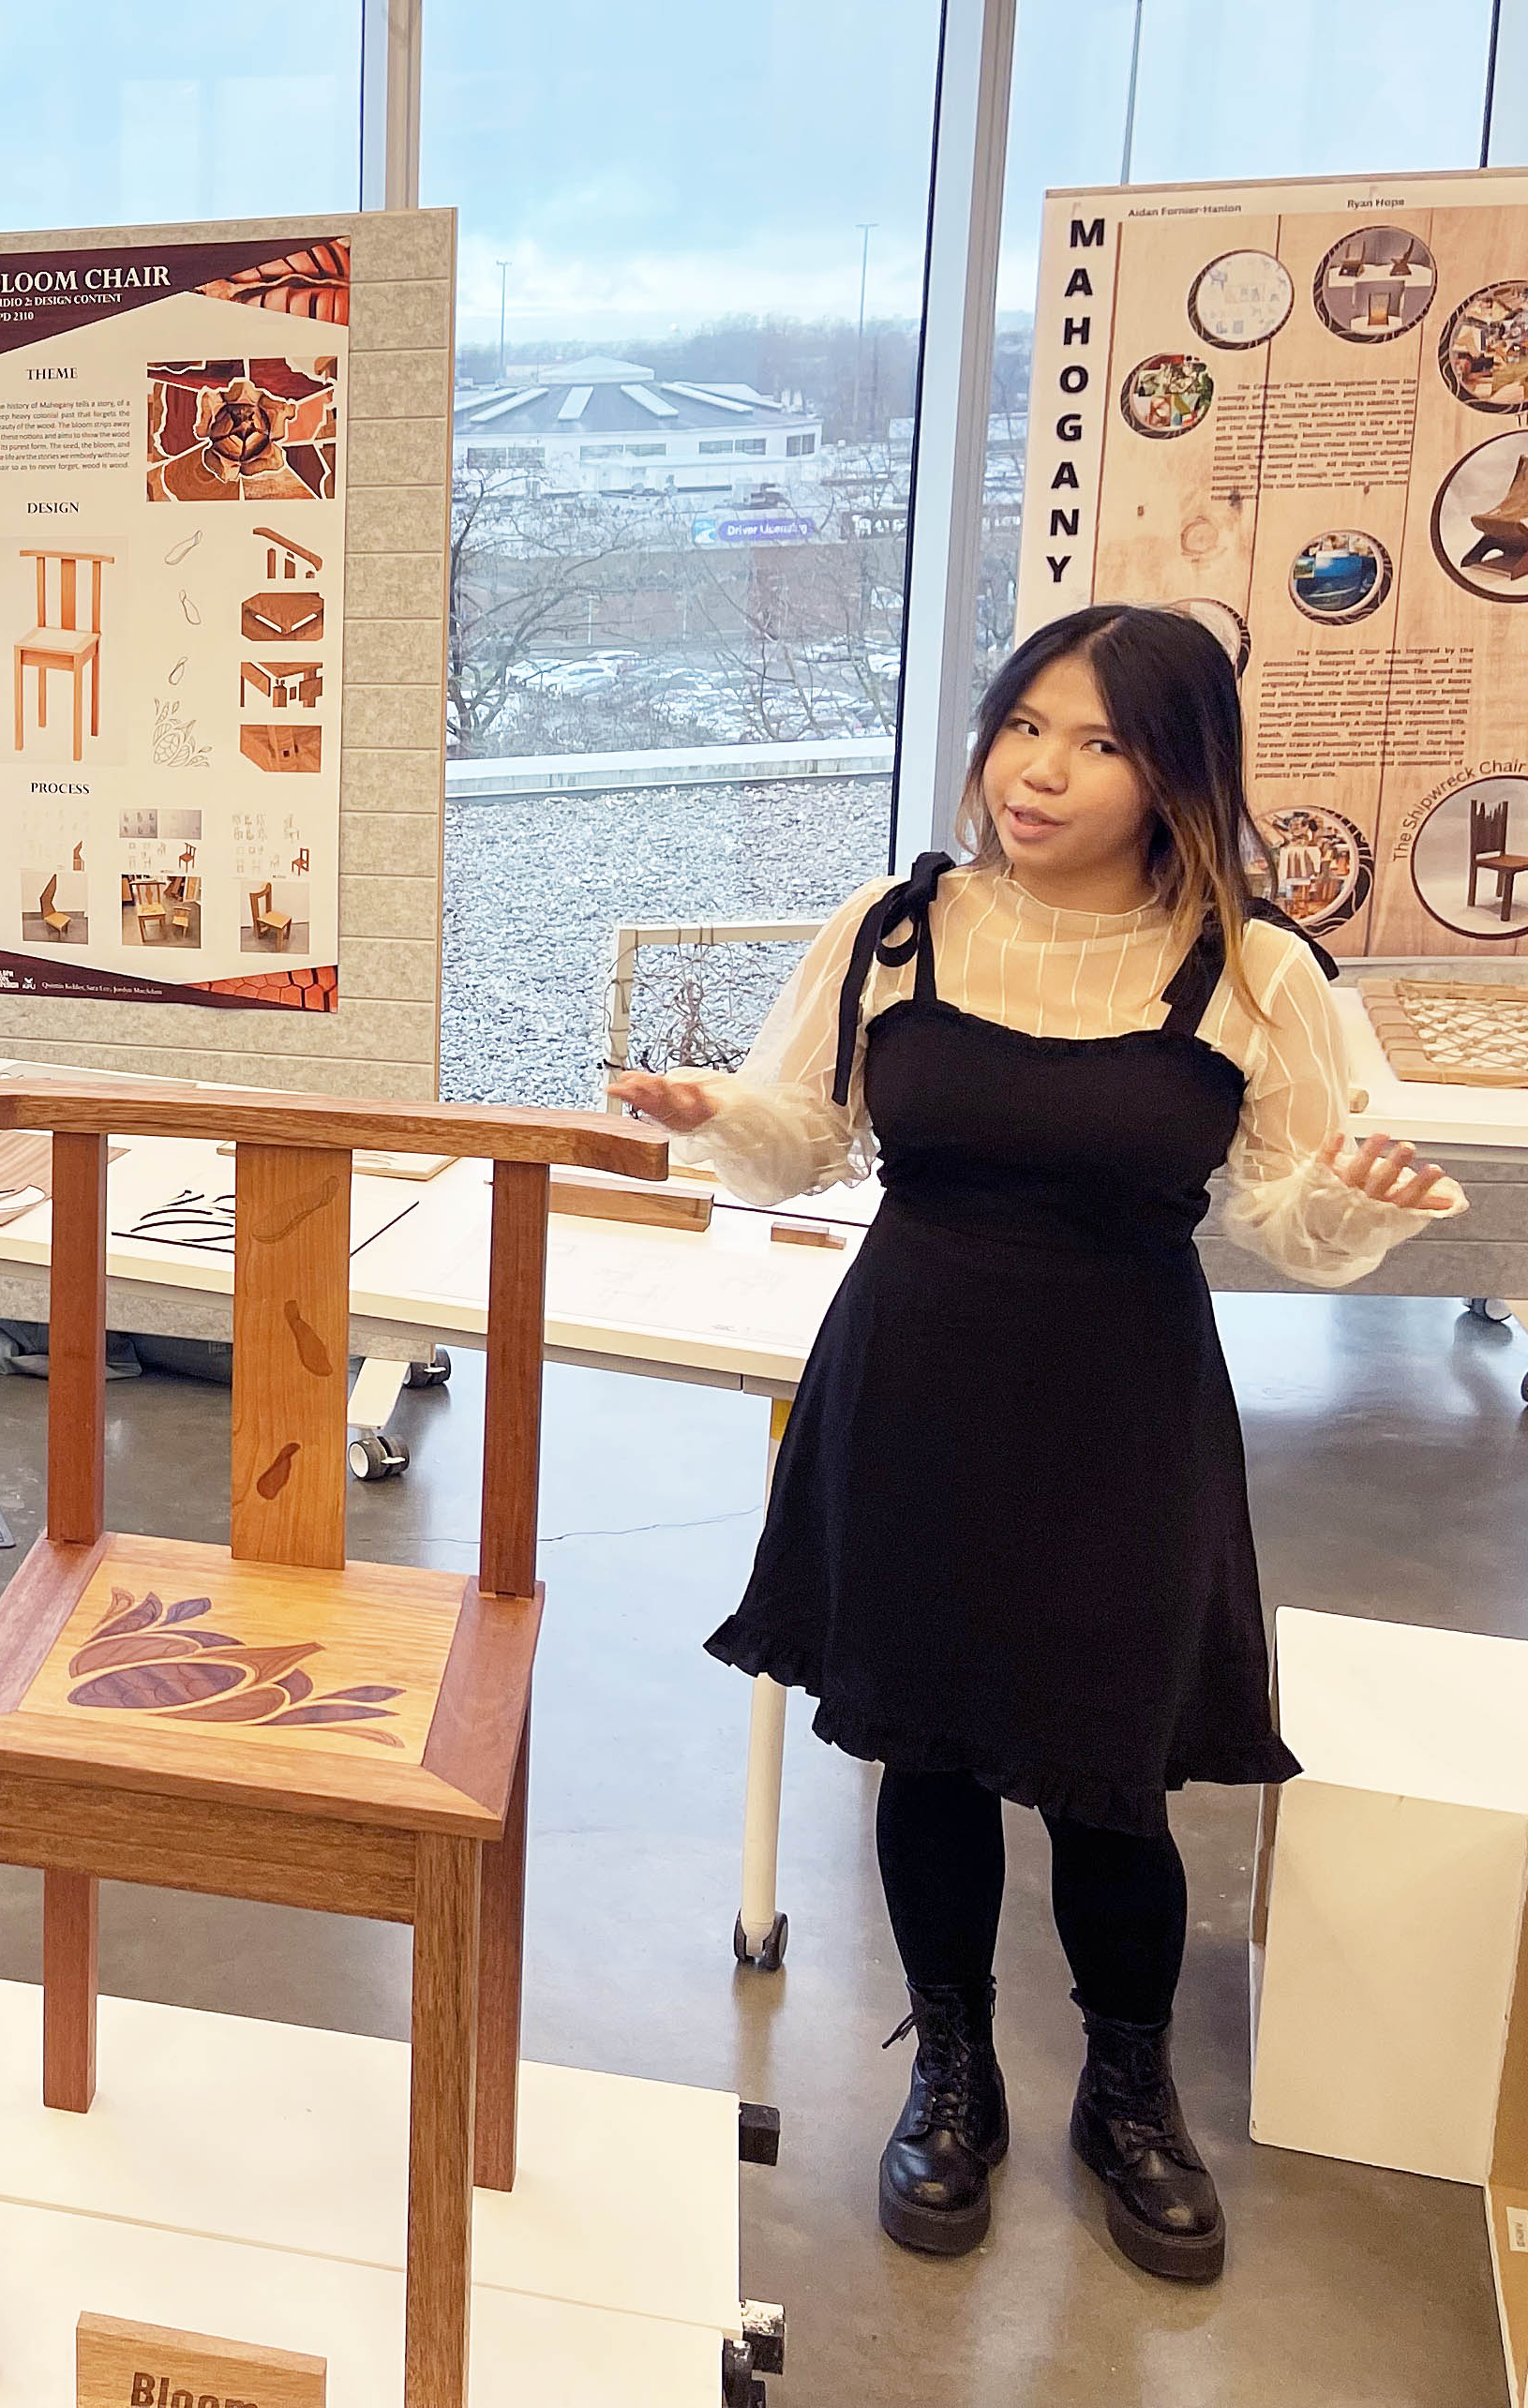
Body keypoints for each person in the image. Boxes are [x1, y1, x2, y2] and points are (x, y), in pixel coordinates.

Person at [609, 604, 1460, 2282]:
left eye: (1096, 741)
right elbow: (803, 1135)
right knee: (920, 1748)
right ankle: (952, 2067)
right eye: (1021, 726)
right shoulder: (896, 925)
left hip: (1121, 1403)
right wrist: (721, 1115)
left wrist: (1351, 1202)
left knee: (1109, 1776)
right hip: (909, 1378)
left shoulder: (1252, 962)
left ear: (1172, 773)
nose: (1038, 770)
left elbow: (1288, 1213)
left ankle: (1127, 2088)